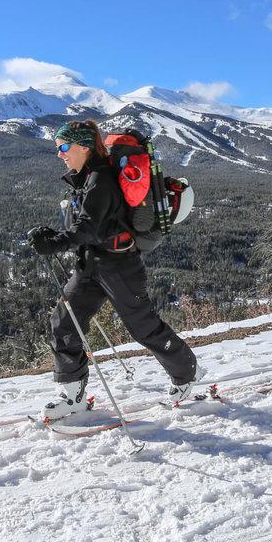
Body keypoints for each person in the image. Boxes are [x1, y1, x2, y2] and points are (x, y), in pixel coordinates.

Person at [27, 120, 200, 421]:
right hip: (91, 267)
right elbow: (85, 225)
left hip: (119, 267)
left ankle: (187, 373)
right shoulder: (84, 178)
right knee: (64, 323)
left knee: (143, 327)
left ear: (83, 146)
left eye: (64, 147)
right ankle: (72, 395)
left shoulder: (101, 179)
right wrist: (51, 234)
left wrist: (54, 243)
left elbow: (88, 229)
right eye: (58, 148)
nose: (60, 154)